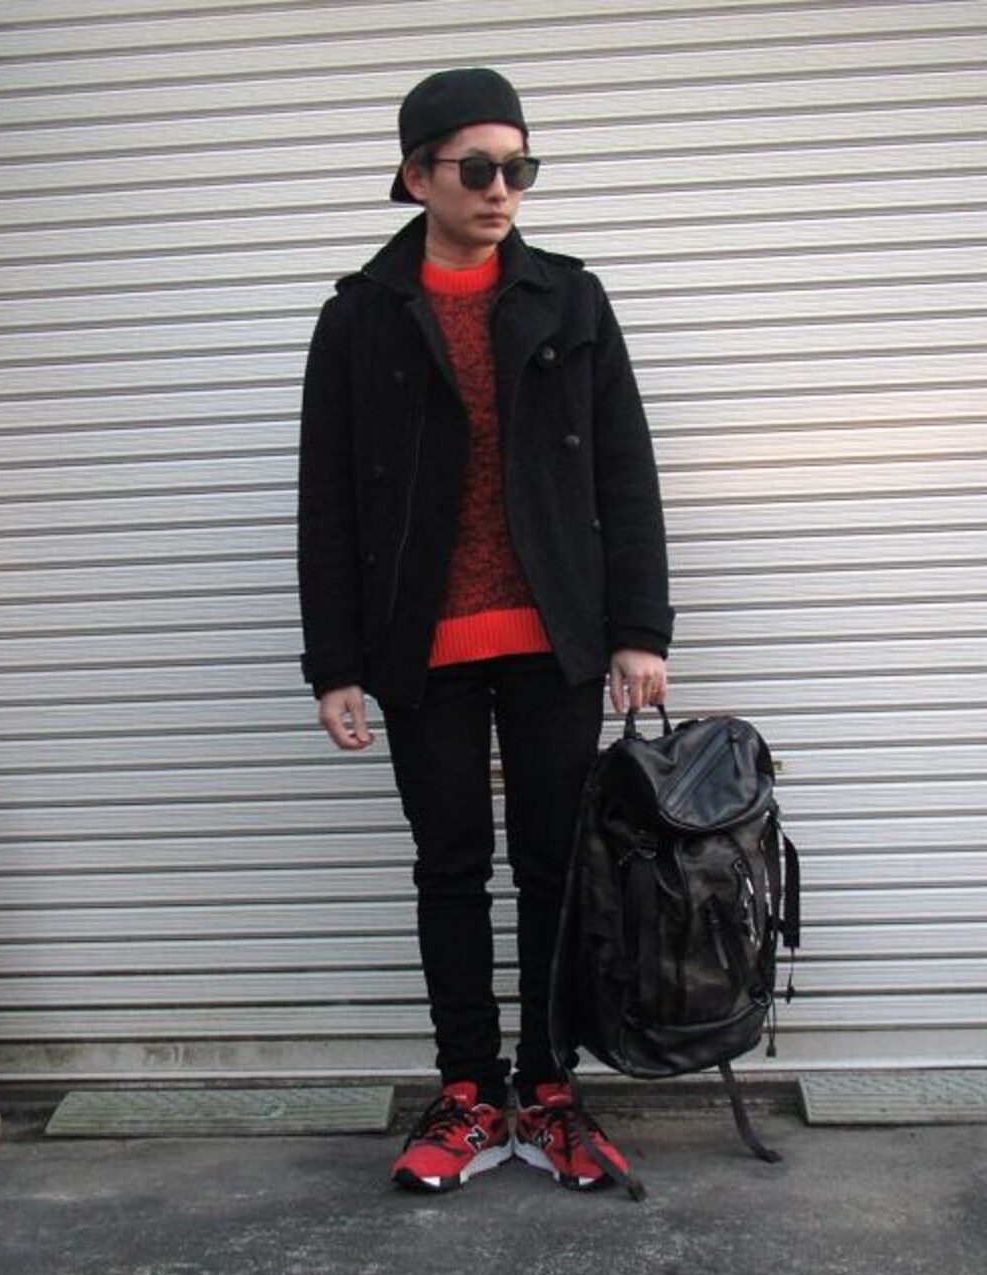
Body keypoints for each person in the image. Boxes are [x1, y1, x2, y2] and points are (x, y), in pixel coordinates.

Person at [298, 68, 673, 1194]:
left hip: (554, 636)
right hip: (421, 644)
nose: (501, 189)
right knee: (450, 869)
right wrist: (334, 663)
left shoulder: (571, 298)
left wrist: (638, 627)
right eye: (476, 168)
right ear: (417, 177)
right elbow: (327, 498)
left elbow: (624, 467)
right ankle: (467, 1091)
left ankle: (551, 1092)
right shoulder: (359, 316)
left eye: (519, 167)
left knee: (558, 868)